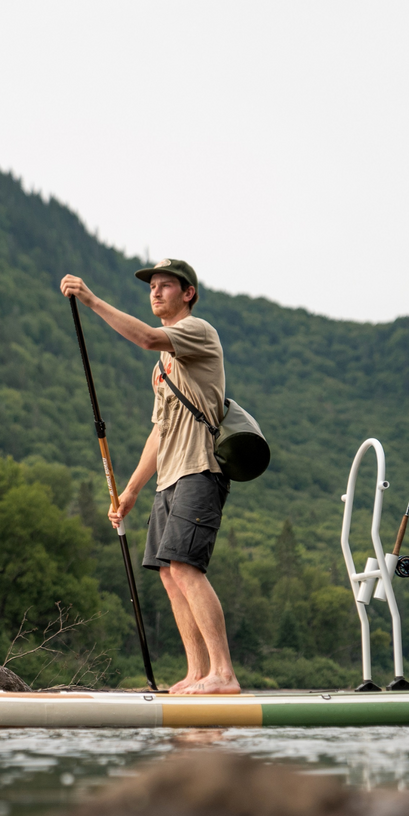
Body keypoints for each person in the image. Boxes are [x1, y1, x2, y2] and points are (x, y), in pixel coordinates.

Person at [60, 259, 239, 695]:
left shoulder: (198, 332)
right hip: (170, 478)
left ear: (188, 294)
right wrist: (131, 491)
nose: (156, 293)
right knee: (167, 571)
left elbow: (145, 337)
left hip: (201, 469)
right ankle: (197, 673)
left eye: (165, 287)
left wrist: (90, 299)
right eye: (152, 287)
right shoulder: (161, 367)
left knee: (185, 566)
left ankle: (224, 675)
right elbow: (159, 432)